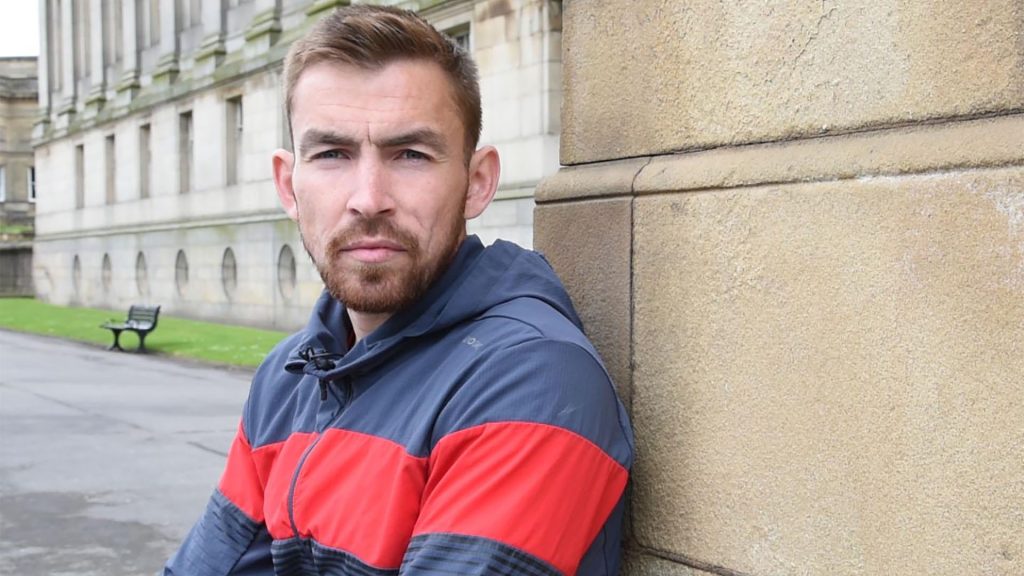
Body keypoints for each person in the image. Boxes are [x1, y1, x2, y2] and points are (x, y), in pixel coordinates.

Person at [165, 5, 633, 575]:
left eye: (410, 154)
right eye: (332, 154)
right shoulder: (289, 377)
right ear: (289, 186)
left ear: (476, 182)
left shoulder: (535, 380)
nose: (369, 198)